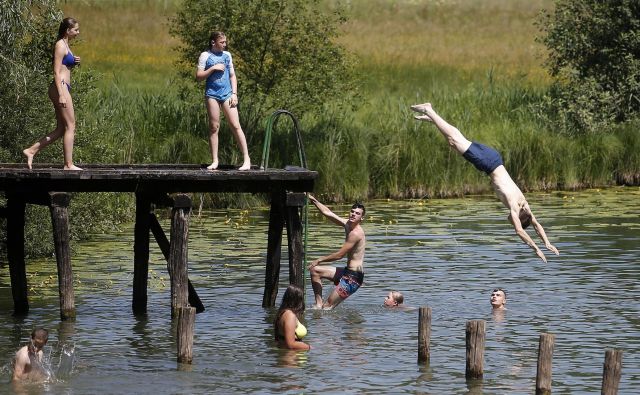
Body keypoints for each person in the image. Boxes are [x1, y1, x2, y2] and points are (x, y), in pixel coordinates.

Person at [411, 103, 560, 263]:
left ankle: (433, 119)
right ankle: (429, 110)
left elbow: (536, 225)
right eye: (511, 220)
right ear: (518, 218)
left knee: (456, 141)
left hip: (494, 159)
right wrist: (536, 249)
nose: (509, 219)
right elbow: (519, 231)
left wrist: (547, 243)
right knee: (455, 140)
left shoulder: (525, 205)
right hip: (488, 164)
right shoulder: (515, 208)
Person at [23, 17, 82, 171]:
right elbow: (56, 72)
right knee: (71, 125)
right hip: (60, 88)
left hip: (62, 87)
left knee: (61, 129)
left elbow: (64, 67)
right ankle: (68, 165)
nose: (78, 32)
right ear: (67, 30)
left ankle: (31, 151)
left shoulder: (66, 44)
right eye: (75, 30)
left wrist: (73, 62)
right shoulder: (60, 45)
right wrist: (62, 94)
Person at [196, 31, 251, 171]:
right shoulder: (205, 56)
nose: (225, 44)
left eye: (225, 42)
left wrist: (234, 94)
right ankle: (215, 161)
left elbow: (232, 76)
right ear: (213, 42)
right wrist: (213, 68)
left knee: (235, 124)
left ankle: (246, 159)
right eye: (222, 42)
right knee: (214, 127)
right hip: (212, 94)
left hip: (227, 94)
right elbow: (199, 76)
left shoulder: (227, 55)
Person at [308, 195, 366, 309]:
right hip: (346, 272)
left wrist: (319, 259)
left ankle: (323, 319)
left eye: (357, 213)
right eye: (352, 211)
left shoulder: (356, 234)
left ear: (361, 218)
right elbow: (328, 213)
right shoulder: (347, 224)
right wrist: (312, 199)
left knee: (327, 308)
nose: (353, 214)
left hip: (353, 278)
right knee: (315, 271)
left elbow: (340, 255)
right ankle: (318, 305)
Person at [274, 284, 311, 351]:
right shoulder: (290, 316)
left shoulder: (283, 313)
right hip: (291, 357)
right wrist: (309, 347)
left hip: (293, 355)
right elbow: (291, 344)